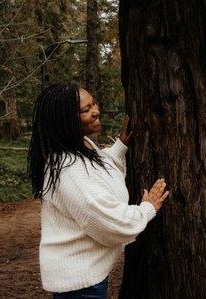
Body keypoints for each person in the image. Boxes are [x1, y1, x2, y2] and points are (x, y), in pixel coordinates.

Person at [28, 83, 169, 298]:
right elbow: (109, 222)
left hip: (84, 282)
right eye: (86, 110)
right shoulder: (69, 172)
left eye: (93, 103)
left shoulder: (80, 146)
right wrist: (147, 209)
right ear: (65, 120)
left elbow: (98, 170)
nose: (96, 111)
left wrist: (120, 146)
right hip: (80, 288)